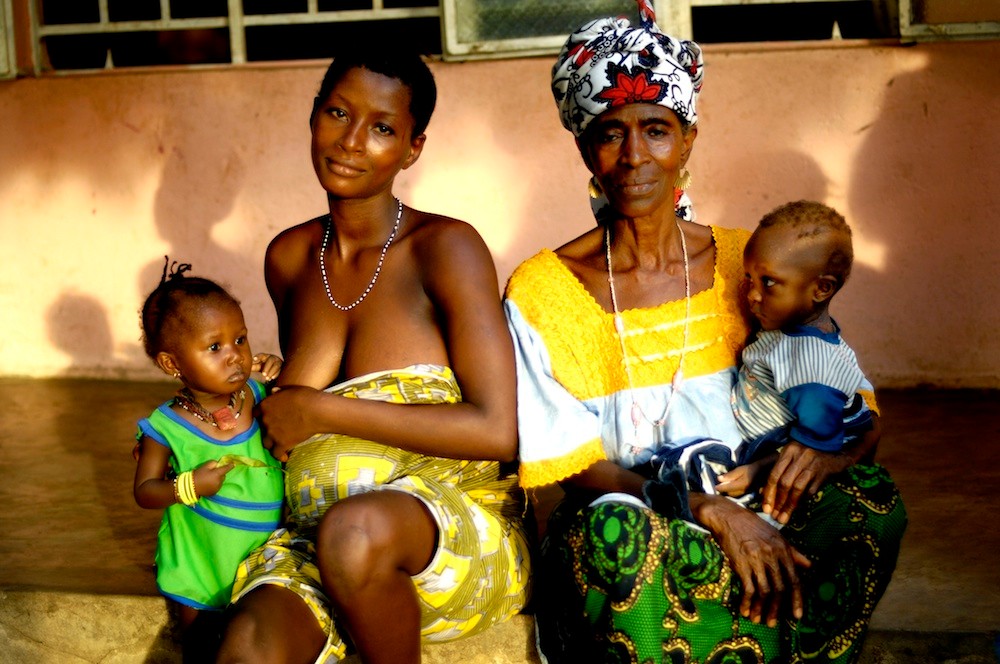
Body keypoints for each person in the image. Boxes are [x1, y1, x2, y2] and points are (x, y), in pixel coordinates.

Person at [503, 3, 907, 662]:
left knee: (870, 499)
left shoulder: (751, 264)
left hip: (760, 506)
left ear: (688, 139)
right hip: (645, 520)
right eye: (610, 133)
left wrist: (822, 459)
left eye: (656, 129)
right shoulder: (544, 290)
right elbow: (574, 467)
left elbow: (859, 411)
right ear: (584, 147)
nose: (635, 156)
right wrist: (708, 510)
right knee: (614, 535)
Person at [216, 45, 530, 664]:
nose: (351, 141)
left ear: (412, 149)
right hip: (315, 540)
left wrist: (324, 414)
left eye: (382, 127)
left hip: (453, 535)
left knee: (355, 533)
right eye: (337, 113)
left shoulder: (445, 248)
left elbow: (499, 431)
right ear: (312, 117)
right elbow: (293, 412)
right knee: (248, 644)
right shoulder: (289, 257)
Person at [133, 259, 284, 658]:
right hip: (201, 561)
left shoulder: (257, 394)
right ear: (172, 363)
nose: (235, 356)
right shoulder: (166, 427)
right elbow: (146, 492)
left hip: (267, 557)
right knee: (200, 649)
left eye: (241, 339)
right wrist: (190, 486)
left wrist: (281, 373)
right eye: (214, 347)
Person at [719, 200, 876, 505]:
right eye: (750, 278)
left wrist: (758, 471)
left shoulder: (808, 365)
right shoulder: (788, 332)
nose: (751, 293)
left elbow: (814, 451)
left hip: (765, 462)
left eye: (769, 283)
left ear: (821, 289)